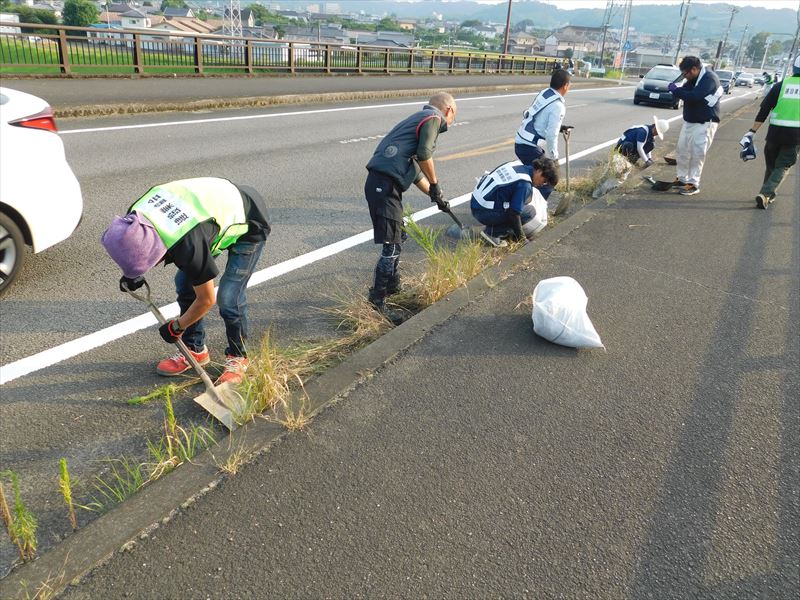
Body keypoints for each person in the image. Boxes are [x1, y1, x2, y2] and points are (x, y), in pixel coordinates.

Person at [101, 177, 270, 384]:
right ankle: (195, 350)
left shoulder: (187, 242)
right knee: (185, 283)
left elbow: (207, 299)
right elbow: (131, 248)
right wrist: (131, 272)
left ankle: (238, 357)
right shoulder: (133, 221)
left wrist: (178, 326)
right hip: (210, 217)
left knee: (228, 297)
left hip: (247, 221)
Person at [364, 92, 457, 323]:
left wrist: (436, 197)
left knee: (398, 237)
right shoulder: (432, 118)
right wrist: (436, 184)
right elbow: (426, 154)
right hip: (383, 187)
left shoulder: (415, 123)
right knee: (391, 247)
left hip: (383, 185)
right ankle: (377, 302)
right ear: (449, 111)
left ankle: (393, 287)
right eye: (454, 116)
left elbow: (415, 173)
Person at [740, 54, 800, 209]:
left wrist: (752, 131)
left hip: (774, 134)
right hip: (795, 136)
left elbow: (764, 109)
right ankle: (765, 193)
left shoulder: (781, 85)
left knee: (772, 166)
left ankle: (768, 195)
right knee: (783, 166)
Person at [470, 158, 560, 248]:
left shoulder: (516, 164)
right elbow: (514, 213)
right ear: (539, 171)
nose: (542, 184)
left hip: (476, 202)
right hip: (483, 212)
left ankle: (495, 226)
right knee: (529, 212)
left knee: (520, 203)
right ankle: (492, 233)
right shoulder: (525, 184)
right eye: (544, 181)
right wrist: (522, 239)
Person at [668, 56, 723, 195]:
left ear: (694, 69)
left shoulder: (709, 79)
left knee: (697, 153)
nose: (685, 76)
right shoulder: (692, 79)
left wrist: (676, 90)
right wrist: (676, 92)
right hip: (690, 121)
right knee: (681, 150)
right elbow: (684, 93)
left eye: (686, 73)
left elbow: (694, 96)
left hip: (705, 123)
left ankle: (693, 183)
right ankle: (681, 179)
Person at [514, 69, 571, 198]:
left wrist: (560, 127)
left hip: (521, 141)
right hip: (528, 146)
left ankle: (525, 199)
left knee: (534, 176)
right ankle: (536, 209)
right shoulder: (558, 105)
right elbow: (551, 135)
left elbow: (539, 118)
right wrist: (554, 158)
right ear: (565, 86)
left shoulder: (545, 93)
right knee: (550, 178)